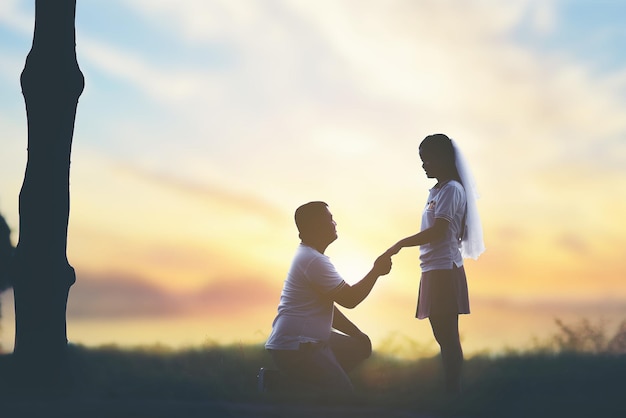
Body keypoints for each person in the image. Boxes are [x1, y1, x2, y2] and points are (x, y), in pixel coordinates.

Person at [386, 133, 485, 395]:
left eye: (427, 159)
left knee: (448, 337)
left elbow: (440, 231)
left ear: (443, 158)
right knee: (443, 337)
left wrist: (399, 244)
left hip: (444, 269)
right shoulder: (438, 190)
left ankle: (453, 392)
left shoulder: (452, 189)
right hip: (432, 268)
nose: (424, 165)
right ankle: (452, 390)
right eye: (422, 160)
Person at [264, 201, 392, 396]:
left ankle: (304, 381)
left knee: (359, 347)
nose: (335, 223)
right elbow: (350, 299)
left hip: (304, 342)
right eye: (330, 219)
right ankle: (285, 386)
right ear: (316, 226)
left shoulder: (311, 257)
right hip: (297, 346)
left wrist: (357, 334)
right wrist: (376, 271)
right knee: (342, 396)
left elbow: (331, 304)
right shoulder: (313, 260)